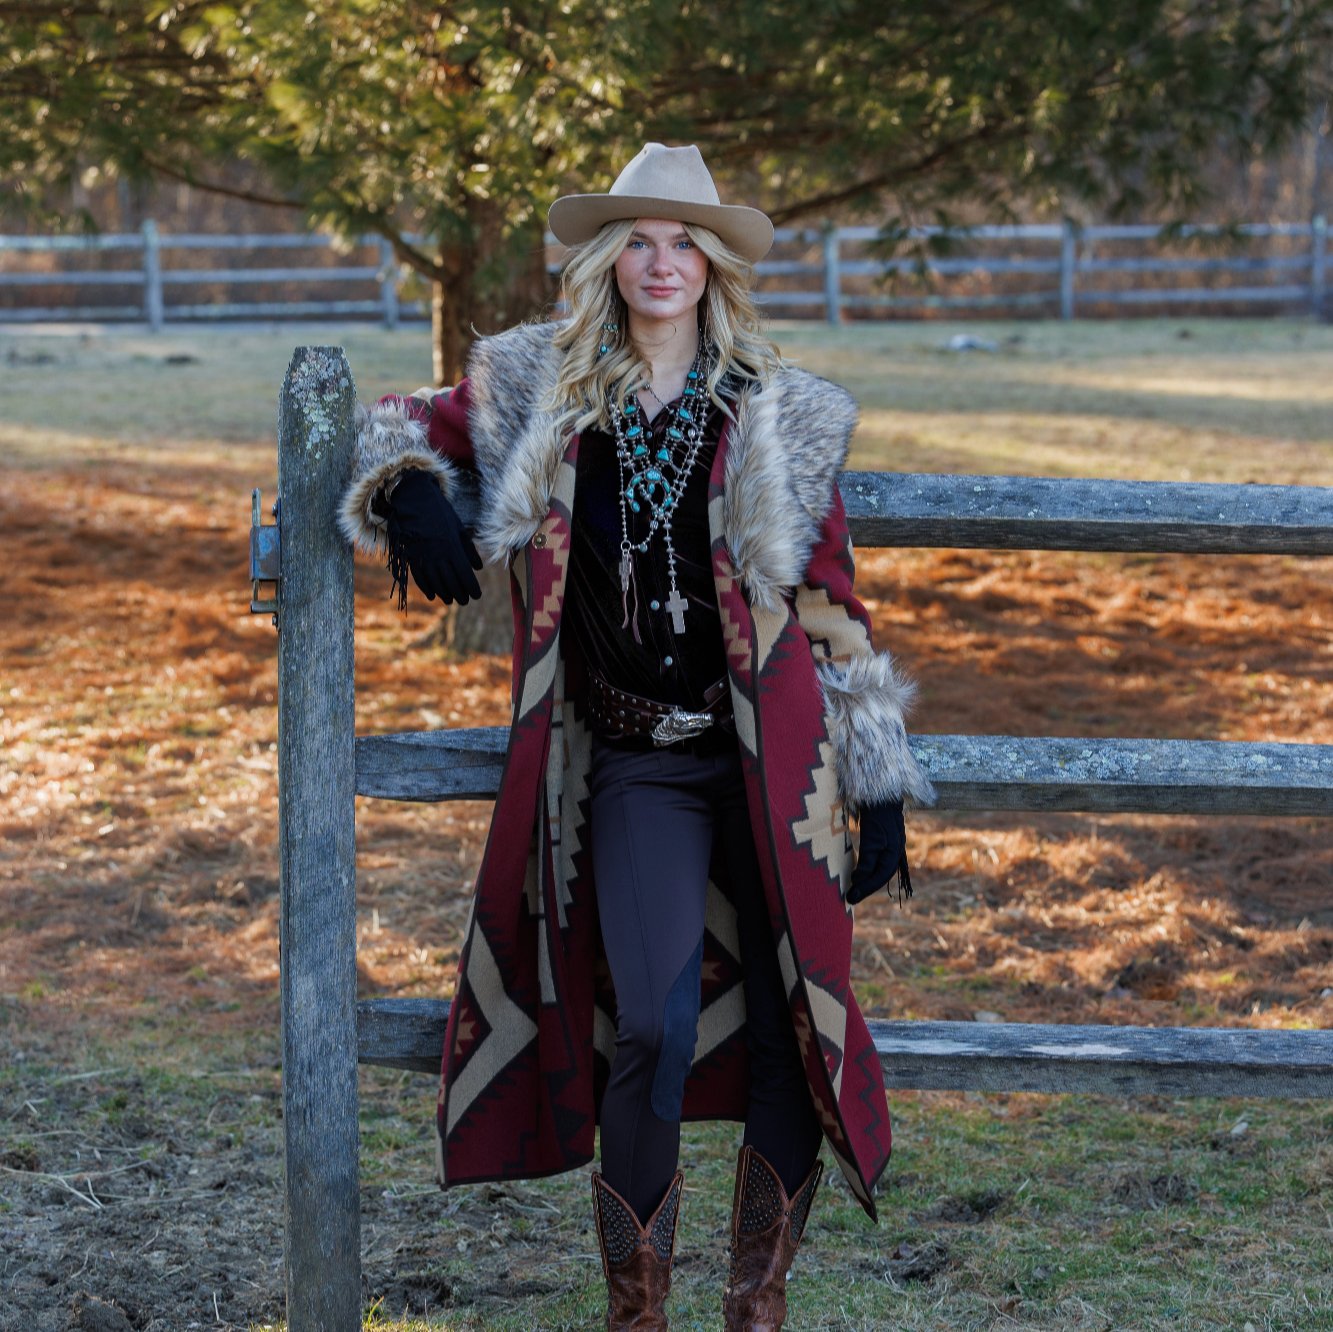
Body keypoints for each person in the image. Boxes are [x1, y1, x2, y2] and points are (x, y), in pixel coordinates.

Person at [337, 143, 935, 1331]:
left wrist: (874, 775)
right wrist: (404, 484)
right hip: (634, 760)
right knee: (652, 1021)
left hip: (774, 767)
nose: (663, 264)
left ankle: (754, 1309)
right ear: (609, 262)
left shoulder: (780, 413)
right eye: (640, 243)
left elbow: (828, 597)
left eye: (686, 244)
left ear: (714, 267)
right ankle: (637, 1315)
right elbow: (382, 423)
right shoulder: (533, 389)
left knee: (789, 1023)